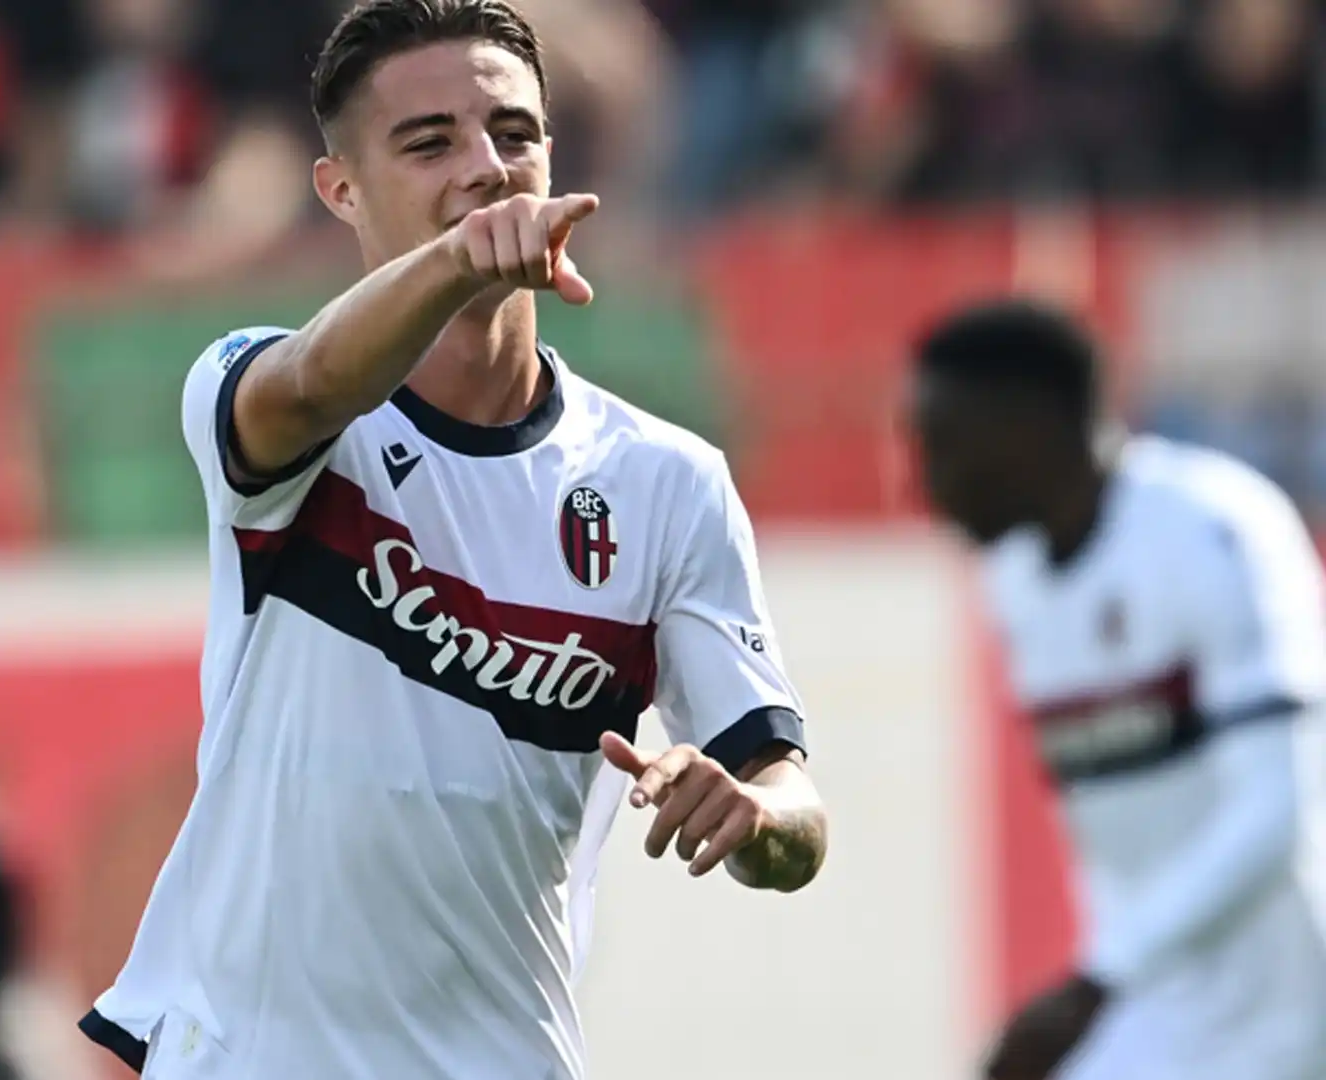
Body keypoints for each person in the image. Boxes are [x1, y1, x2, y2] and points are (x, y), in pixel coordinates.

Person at [77, 2, 829, 1077]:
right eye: (429, 144)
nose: (485, 167)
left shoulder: (668, 484)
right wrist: (458, 265)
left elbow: (793, 810)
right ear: (340, 188)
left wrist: (757, 818)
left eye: (513, 135)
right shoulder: (266, 393)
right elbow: (314, 383)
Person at [906, 299, 1326, 1080]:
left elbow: (1276, 809)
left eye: (942, 443)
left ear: (1026, 428)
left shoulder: (1214, 529)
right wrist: (1109, 977)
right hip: (1153, 1006)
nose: (925, 481)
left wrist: (1097, 982)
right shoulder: (1012, 580)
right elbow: (1117, 826)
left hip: (1290, 1006)